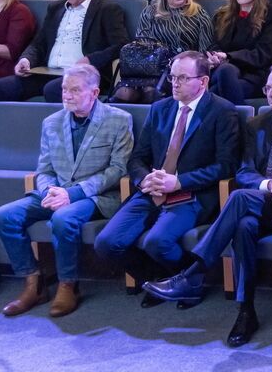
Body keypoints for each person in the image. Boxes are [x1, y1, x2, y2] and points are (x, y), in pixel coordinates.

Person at [148, 59, 272, 343]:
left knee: (239, 201)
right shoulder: (256, 124)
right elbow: (244, 171)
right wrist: (268, 185)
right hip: (259, 203)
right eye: (267, 88)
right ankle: (246, 311)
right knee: (244, 224)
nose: (270, 93)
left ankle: (194, 273)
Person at [94, 52, 241, 304]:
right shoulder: (159, 108)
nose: (175, 83)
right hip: (152, 189)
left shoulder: (222, 111)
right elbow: (137, 158)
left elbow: (226, 166)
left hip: (191, 194)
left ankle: (189, 282)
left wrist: (180, 181)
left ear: (203, 81)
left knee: (157, 242)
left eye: (183, 78)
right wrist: (144, 179)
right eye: (172, 77)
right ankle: (159, 280)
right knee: (106, 243)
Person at [0, 63, 134, 319]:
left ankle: (68, 285)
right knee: (5, 216)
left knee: (63, 218)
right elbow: (44, 169)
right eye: (64, 89)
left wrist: (73, 194)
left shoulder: (119, 120)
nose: (67, 95)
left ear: (94, 92)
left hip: (95, 196)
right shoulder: (51, 122)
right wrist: (50, 190)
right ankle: (33, 283)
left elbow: (117, 170)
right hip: (56, 192)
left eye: (75, 90)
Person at [0, 0, 129, 102]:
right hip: (48, 73)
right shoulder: (55, 9)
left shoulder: (107, 10)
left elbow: (121, 45)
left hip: (84, 75)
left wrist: (90, 60)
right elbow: (39, 43)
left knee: (53, 89)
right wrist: (26, 59)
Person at [112, 0, 218, 103]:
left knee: (152, 91)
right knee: (124, 93)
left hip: (181, 72)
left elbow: (205, 51)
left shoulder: (199, 14)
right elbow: (141, 49)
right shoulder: (149, 13)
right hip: (149, 70)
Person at [206, 0, 272, 104]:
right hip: (225, 70)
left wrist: (228, 56)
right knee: (224, 72)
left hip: (254, 74)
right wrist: (216, 57)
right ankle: (238, 116)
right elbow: (214, 44)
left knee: (215, 89)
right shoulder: (223, 15)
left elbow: (264, 54)